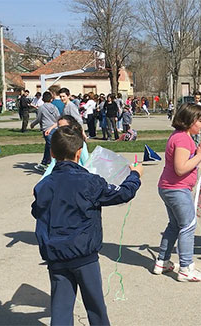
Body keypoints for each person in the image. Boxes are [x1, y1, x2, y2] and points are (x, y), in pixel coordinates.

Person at [32, 126, 142, 325]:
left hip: (56, 254)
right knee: (95, 306)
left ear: (52, 153)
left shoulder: (43, 185)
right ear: (79, 153)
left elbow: (36, 210)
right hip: (83, 255)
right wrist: (135, 175)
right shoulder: (89, 182)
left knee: (61, 308)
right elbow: (122, 193)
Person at [153, 103, 201, 281]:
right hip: (176, 189)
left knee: (175, 225)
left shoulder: (181, 137)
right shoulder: (183, 139)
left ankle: (162, 261)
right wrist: (200, 155)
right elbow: (180, 168)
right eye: (200, 120)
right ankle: (185, 268)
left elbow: (191, 167)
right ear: (189, 120)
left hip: (170, 188)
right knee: (188, 225)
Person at [30, 92, 60, 171]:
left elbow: (39, 118)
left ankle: (50, 163)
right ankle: (44, 162)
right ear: (51, 99)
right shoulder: (54, 107)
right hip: (55, 128)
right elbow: (58, 118)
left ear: (43, 99)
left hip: (46, 128)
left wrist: (33, 124)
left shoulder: (41, 108)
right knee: (48, 145)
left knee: (50, 146)